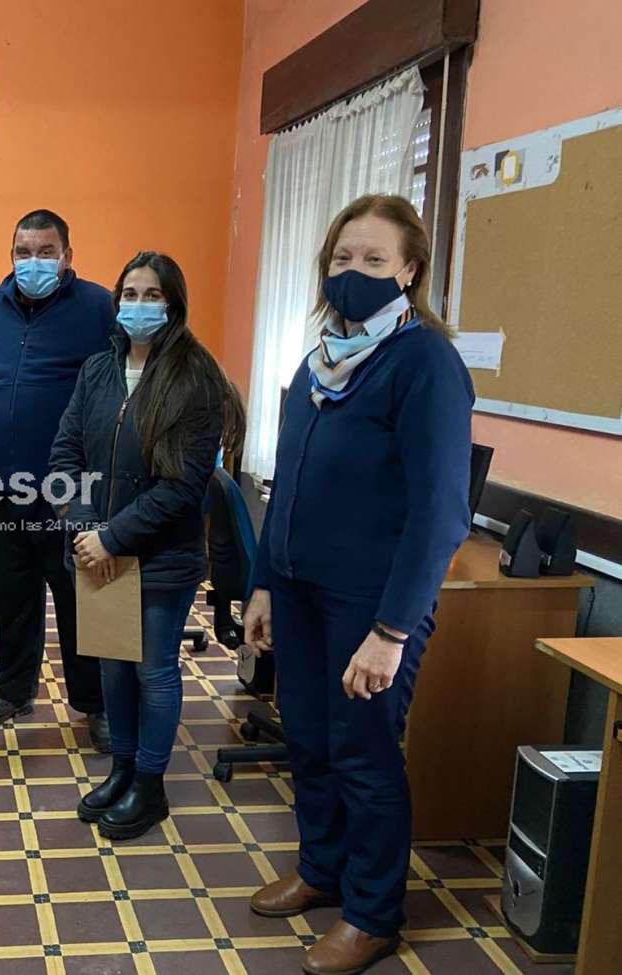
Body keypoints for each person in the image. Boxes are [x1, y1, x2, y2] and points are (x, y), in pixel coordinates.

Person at [243, 195, 473, 975]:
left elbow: (441, 512)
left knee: (364, 754)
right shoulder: (320, 361)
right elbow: (285, 483)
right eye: (343, 258)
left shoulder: (425, 363)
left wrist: (392, 630)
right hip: (299, 590)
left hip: (371, 606)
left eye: (374, 259)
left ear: (410, 270)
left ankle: (372, 912)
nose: (354, 271)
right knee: (308, 739)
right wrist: (264, 583)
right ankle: (322, 869)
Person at [50, 252, 244, 839]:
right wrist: (85, 526)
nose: (138, 304)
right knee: (113, 666)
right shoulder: (98, 370)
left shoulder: (196, 378)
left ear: (173, 304)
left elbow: (182, 486)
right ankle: (123, 769)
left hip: (160, 554)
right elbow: (65, 452)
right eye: (129, 294)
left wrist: (113, 537)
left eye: (152, 295)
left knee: (152, 669)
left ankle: (151, 785)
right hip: (97, 549)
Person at [0, 210, 115, 749]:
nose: (34, 262)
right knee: (8, 596)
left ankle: (96, 704)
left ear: (67, 256)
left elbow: (118, 382)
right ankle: (13, 691)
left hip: (73, 491)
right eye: (23, 253)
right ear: (11, 256)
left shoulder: (99, 307)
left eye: (46, 252)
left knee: (81, 600)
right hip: (3, 487)